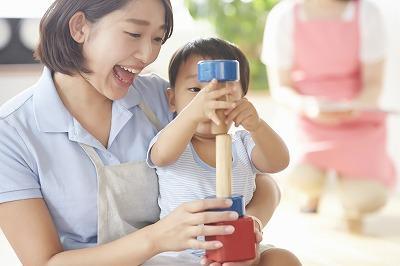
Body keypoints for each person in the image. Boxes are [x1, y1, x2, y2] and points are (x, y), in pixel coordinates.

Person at [0, 1, 293, 266]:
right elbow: (44, 262)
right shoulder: (12, 133)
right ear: (79, 27)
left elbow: (261, 180)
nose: (148, 55)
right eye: (134, 34)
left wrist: (241, 229)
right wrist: (156, 239)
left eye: (157, 39)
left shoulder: (162, 96)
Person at [147, 37, 300, 266]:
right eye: (195, 90)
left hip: (239, 248)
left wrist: (257, 125)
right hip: (181, 253)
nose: (211, 101)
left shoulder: (243, 143)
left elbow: (279, 162)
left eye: (225, 93)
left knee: (283, 259)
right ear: (172, 99)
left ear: (241, 100)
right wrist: (193, 113)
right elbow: (161, 156)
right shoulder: (175, 141)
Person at [261, 0, 396, 232]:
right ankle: (312, 193)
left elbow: (373, 84)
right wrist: (307, 106)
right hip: (306, 118)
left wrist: (355, 106)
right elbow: (281, 88)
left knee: (367, 197)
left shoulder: (367, 13)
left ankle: (350, 202)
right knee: (299, 176)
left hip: (357, 119)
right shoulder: (283, 16)